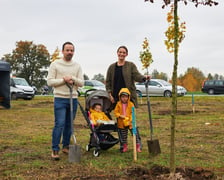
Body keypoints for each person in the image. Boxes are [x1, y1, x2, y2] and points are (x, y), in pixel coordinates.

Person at [47, 41, 84, 160]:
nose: (69, 52)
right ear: (63, 51)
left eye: (71, 50)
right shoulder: (55, 64)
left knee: (69, 125)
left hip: (72, 99)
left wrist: (72, 78)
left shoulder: (77, 66)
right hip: (60, 99)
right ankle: (55, 149)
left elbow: (82, 83)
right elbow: (50, 82)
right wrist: (64, 80)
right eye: (67, 50)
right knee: (60, 124)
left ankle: (66, 146)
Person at [106, 45, 149, 110]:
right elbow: (108, 82)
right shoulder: (111, 67)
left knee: (129, 116)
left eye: (124, 52)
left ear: (126, 54)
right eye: (120, 52)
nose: (122, 54)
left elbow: (136, 76)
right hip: (116, 96)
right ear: (117, 53)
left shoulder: (130, 65)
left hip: (128, 96)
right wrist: (110, 95)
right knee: (119, 116)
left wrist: (144, 77)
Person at [114, 88, 142, 153]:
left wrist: (130, 119)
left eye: (126, 97)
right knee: (124, 136)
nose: (124, 98)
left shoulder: (131, 104)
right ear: (120, 97)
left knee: (135, 135)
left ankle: (137, 146)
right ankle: (125, 146)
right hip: (122, 123)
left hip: (130, 122)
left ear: (128, 97)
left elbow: (133, 113)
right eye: (122, 97)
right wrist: (120, 116)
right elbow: (116, 112)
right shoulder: (118, 104)